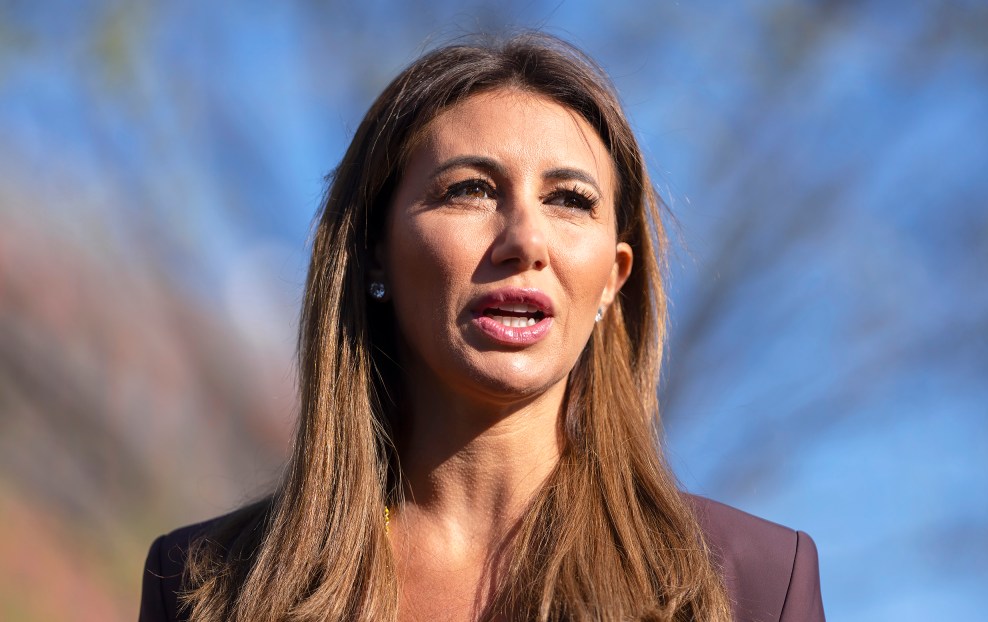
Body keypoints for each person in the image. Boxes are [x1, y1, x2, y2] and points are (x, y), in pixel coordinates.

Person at [139, 33, 825, 622]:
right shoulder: (205, 585)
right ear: (375, 251)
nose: (526, 240)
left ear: (613, 279)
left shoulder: (757, 583)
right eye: (469, 189)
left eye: (570, 199)